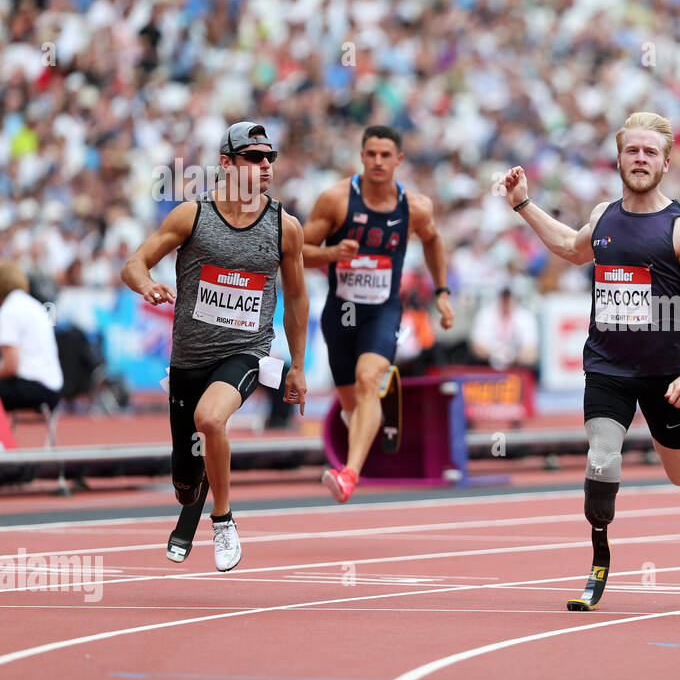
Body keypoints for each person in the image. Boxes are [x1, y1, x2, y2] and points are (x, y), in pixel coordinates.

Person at [503, 111, 680, 611]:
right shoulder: (604, 217)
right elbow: (569, 247)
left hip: (668, 374)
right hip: (607, 368)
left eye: (650, 153)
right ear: (619, 157)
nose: (640, 159)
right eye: (632, 151)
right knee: (602, 457)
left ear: (666, 162)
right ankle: (599, 561)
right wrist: (524, 205)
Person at [121, 121, 309, 572]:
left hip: (246, 350)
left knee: (211, 417)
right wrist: (148, 285)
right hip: (188, 358)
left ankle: (222, 518)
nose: (265, 166)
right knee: (184, 480)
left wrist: (298, 367)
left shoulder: (285, 227)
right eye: (254, 157)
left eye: (270, 158)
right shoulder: (193, 215)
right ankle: (195, 495)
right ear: (227, 163)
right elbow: (134, 263)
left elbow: (298, 297)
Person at [301, 125, 454, 503]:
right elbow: (300, 251)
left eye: (386, 155)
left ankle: (349, 474)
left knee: (370, 381)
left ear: (399, 160)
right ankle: (363, 422)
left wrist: (442, 293)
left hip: (383, 311)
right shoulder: (335, 200)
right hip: (340, 312)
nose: (378, 161)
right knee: (353, 406)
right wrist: (332, 255)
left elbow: (433, 240)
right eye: (371, 154)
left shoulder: (414, 207)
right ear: (362, 157)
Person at [0, 260, 64, 414]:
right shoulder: (33, 305)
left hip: (34, 388)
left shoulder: (9, 310)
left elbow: (10, 366)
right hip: (52, 388)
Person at [470, 286, 539, 372]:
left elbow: (531, 350)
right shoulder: (485, 314)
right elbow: (477, 347)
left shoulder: (526, 317)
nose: (506, 303)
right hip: (487, 362)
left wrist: (513, 358)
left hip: (517, 364)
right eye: (504, 299)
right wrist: (494, 357)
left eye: (509, 299)